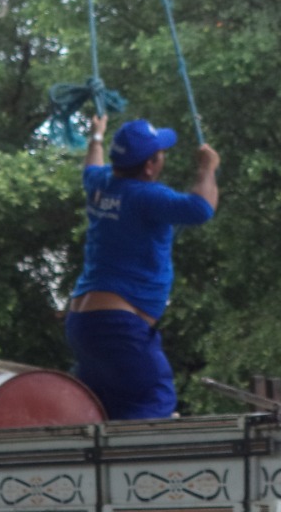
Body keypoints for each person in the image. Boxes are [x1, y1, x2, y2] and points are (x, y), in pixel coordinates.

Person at [65, 114, 219, 419]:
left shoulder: (101, 184)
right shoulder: (147, 196)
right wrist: (207, 168)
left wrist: (96, 136)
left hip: (83, 324)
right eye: (161, 153)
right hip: (119, 325)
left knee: (106, 410)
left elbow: (91, 167)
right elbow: (201, 208)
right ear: (150, 165)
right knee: (154, 399)